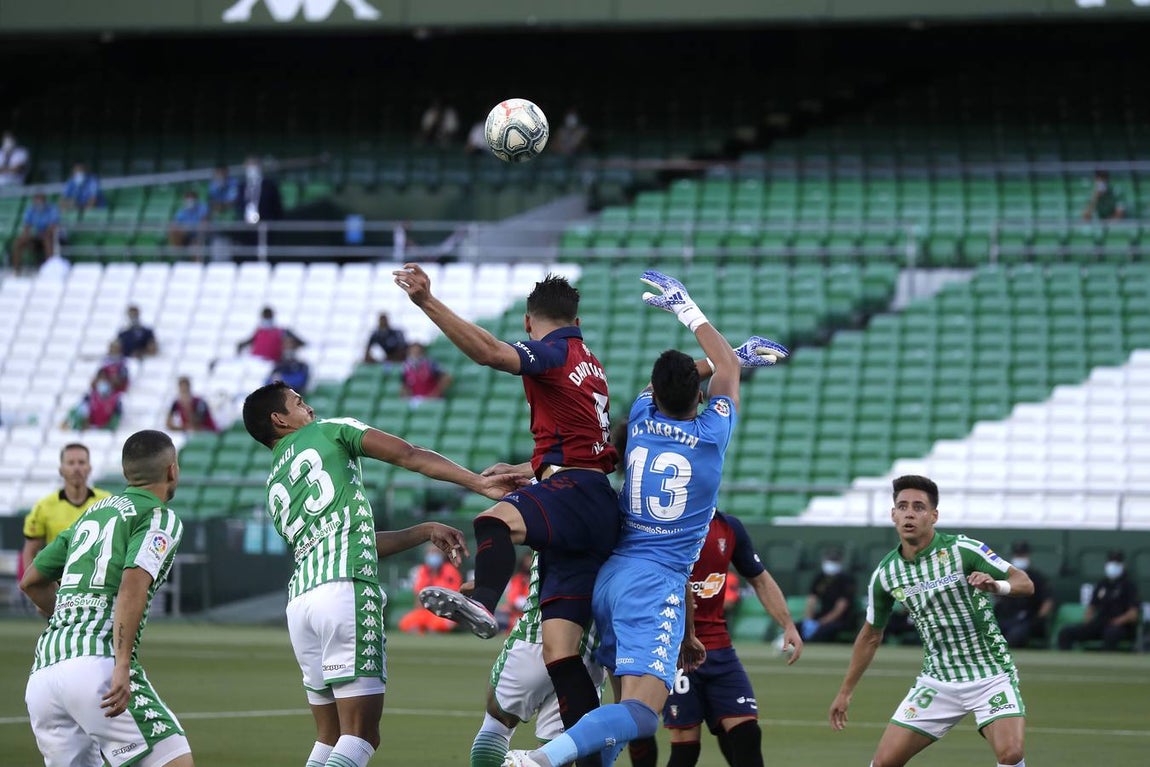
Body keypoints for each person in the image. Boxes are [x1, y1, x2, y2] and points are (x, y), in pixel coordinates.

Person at [503, 270, 788, 767]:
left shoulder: (639, 415)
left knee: (622, 710)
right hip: (655, 584)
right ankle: (541, 761)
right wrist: (691, 312)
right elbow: (723, 367)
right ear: (700, 398)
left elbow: (691, 374)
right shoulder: (712, 436)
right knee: (642, 715)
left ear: (654, 394)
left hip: (612, 576)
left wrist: (706, 334)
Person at [394, 264, 622, 754]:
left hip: (574, 493)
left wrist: (426, 302)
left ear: (528, 322)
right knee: (561, 653)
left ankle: (483, 601)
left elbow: (489, 352)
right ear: (577, 320)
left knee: (493, 521)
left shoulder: (553, 351)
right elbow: (588, 445)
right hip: (596, 500)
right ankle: (588, 753)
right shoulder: (591, 362)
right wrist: (533, 467)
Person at [240, 381, 524, 767]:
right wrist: (477, 481)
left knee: (329, 736)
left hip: (302, 604)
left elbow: (349, 539)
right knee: (360, 735)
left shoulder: (275, 482)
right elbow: (409, 454)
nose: (310, 408)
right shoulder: (329, 430)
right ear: (279, 419)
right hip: (345, 592)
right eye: (299, 402)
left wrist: (423, 531)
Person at [828, 475, 1035, 767]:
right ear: (893, 515)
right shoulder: (886, 575)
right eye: (902, 507)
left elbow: (1024, 583)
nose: (909, 513)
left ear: (934, 516)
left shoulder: (963, 549)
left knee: (1011, 753)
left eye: (919, 507)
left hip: (990, 674)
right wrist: (845, 692)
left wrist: (996, 586)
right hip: (938, 680)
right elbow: (871, 635)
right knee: (883, 763)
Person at [20, 429, 194, 767]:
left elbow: (31, 581)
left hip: (44, 675)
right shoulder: (158, 516)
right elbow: (132, 586)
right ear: (172, 470)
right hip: (97, 666)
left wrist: (70, 617)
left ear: (127, 472)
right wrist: (123, 664)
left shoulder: (93, 513)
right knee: (176, 762)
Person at [628, 508, 804, 767]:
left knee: (747, 734)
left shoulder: (729, 527)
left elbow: (760, 579)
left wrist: (788, 624)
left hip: (720, 648)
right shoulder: (662, 525)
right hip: (676, 650)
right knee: (686, 749)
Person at [470, 551, 606, 767]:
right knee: (557, 751)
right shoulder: (626, 537)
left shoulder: (554, 528)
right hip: (588, 654)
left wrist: (487, 587)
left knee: (498, 718)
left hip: (537, 638)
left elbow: (510, 534)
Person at [21, 443, 111, 575]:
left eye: (81, 462)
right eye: (71, 463)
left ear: (89, 468)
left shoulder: (106, 502)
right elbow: (29, 551)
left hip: (95, 581)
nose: (76, 468)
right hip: (58, 582)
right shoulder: (44, 506)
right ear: (61, 469)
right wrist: (34, 583)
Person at [1057, 550, 1140, 652]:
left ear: (1123, 565)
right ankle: (1067, 659)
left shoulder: (1129, 586)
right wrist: (1088, 620)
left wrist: (1117, 621)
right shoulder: (1102, 584)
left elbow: (1133, 614)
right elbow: (1092, 607)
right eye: (1111, 562)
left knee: (1110, 634)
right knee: (1066, 632)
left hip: (1120, 626)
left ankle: (1107, 660)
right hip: (1100, 623)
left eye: (1117, 562)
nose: (1113, 565)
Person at [994, 541, 1054, 649]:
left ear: (1028, 556)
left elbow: (1047, 600)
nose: (1019, 558)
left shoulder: (1036, 577)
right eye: (1017, 555)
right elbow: (997, 597)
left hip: (1027, 620)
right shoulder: (1005, 576)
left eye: (1022, 555)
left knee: (1015, 636)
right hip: (1006, 618)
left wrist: (1039, 619)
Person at [398, 544, 464, 634]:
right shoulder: (423, 570)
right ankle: (423, 631)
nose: (433, 555)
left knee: (440, 624)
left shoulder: (450, 571)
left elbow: (454, 597)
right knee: (405, 623)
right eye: (430, 552)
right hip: (426, 611)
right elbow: (418, 598)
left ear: (442, 555)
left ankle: (431, 628)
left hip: (444, 612)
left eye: (436, 552)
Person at [802, 548, 858, 643]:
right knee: (797, 626)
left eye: (834, 561)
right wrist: (808, 620)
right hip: (822, 614)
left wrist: (822, 622)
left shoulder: (847, 579)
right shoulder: (819, 577)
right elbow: (812, 599)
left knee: (823, 631)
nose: (830, 564)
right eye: (829, 560)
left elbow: (841, 606)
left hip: (842, 620)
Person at [236, 305, 305, 363]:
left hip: (273, 362)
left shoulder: (281, 331)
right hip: (257, 363)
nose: (267, 320)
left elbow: (300, 342)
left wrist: (289, 348)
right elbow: (245, 343)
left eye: (268, 317)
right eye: (265, 317)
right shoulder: (258, 332)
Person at [11, 192, 59, 274]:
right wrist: (26, 236)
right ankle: (17, 270)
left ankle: (50, 269)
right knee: (18, 242)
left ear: (44, 200)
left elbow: (53, 226)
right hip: (36, 236)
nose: (38, 203)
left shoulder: (52, 209)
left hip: (51, 236)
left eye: (40, 200)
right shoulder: (31, 210)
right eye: (36, 200)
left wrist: (43, 233)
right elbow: (27, 226)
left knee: (47, 239)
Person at [236, 156, 283, 225]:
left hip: (266, 223)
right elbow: (239, 205)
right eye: (249, 165)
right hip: (247, 225)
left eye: (254, 164)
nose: (252, 168)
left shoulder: (270, 186)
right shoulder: (242, 186)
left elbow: (277, 207)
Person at [495, 551, 535, 633]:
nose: (529, 564)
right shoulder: (518, 578)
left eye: (531, 561)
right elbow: (513, 600)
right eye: (527, 561)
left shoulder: (538, 578)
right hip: (517, 616)